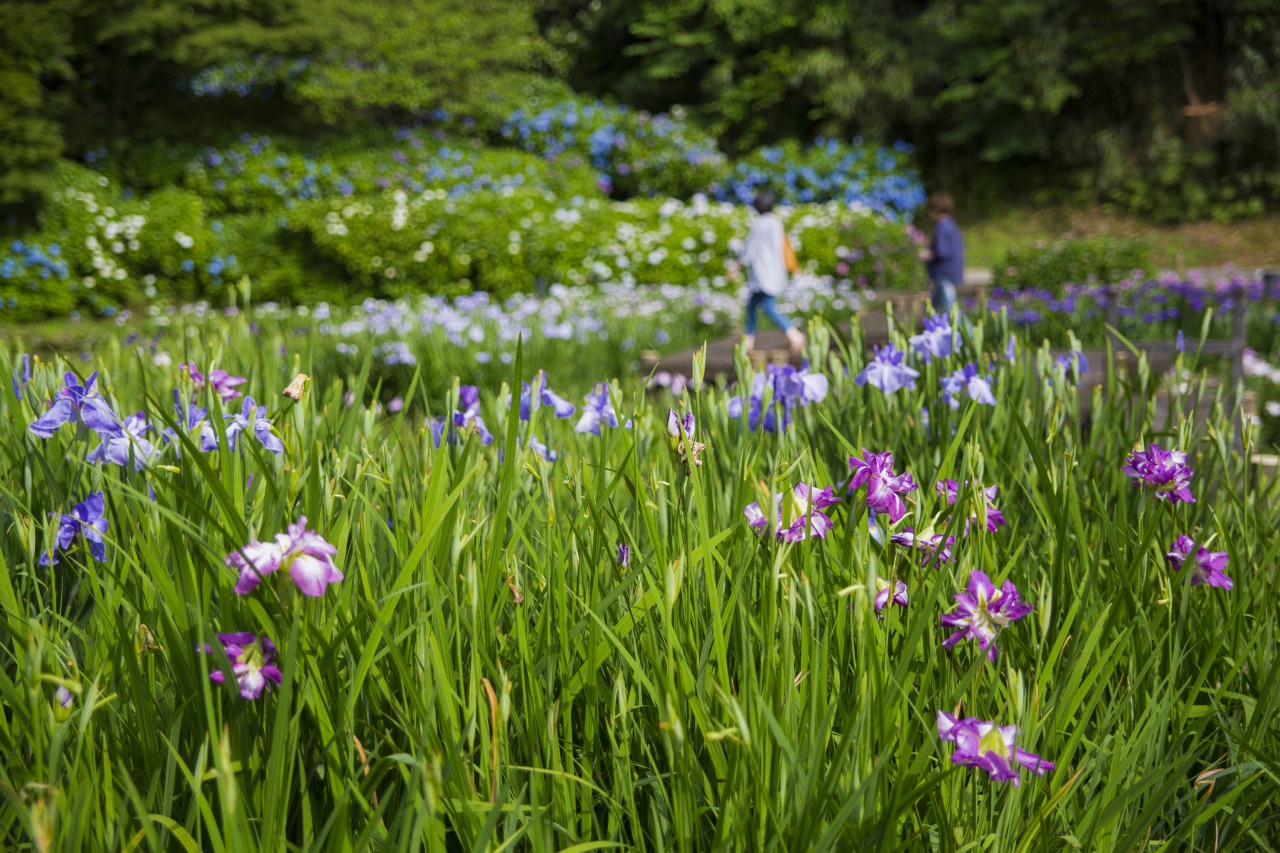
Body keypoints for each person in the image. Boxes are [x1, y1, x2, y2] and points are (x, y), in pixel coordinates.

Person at [737, 191, 806, 354]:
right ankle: (748, 339)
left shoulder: (759, 224)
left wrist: (737, 266)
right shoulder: (776, 222)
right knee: (752, 305)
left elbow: (749, 249)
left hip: (762, 273)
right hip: (774, 270)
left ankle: (794, 334)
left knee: (768, 307)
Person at [921, 192, 964, 317]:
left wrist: (927, 255)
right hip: (952, 272)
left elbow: (942, 252)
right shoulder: (951, 223)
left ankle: (970, 334)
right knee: (933, 307)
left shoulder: (941, 227)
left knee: (950, 311)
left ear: (935, 209)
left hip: (943, 274)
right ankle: (928, 329)